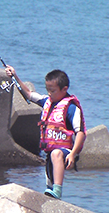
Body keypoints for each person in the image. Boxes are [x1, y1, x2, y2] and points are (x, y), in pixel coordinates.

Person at [5, 65, 86, 200]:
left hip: (65, 153)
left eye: (53, 91)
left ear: (64, 89)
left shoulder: (71, 108)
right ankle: (53, 195)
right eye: (48, 90)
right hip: (50, 155)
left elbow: (81, 133)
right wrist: (14, 76)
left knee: (56, 154)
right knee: (49, 188)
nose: (49, 94)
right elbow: (29, 94)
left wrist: (73, 154)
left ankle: (58, 191)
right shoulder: (46, 102)